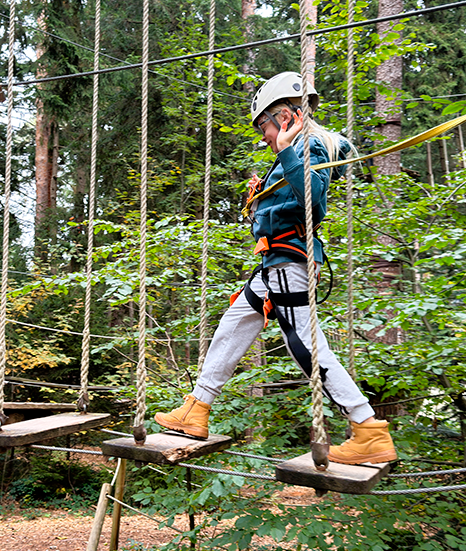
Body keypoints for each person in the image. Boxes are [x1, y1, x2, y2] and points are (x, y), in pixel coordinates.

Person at [154, 72, 396, 465]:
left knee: (305, 344)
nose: (264, 137)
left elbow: (313, 203)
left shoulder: (307, 147)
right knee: (234, 323)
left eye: (264, 127)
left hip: (288, 262)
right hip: (274, 263)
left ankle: (367, 428)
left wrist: (285, 152)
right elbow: (289, 200)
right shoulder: (294, 152)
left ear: (283, 118)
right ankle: (197, 406)